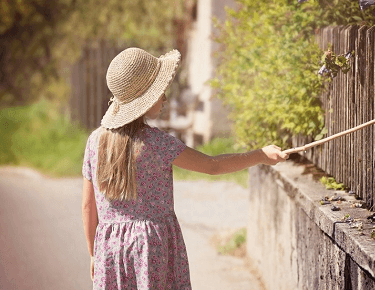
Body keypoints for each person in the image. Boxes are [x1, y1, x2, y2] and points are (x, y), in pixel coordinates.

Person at [81, 47, 289, 290]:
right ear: (144, 99)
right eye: (160, 92)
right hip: (152, 248)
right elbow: (213, 166)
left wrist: (94, 253)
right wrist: (260, 155)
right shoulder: (158, 143)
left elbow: (87, 205)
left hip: (109, 248)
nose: (165, 98)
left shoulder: (94, 142)